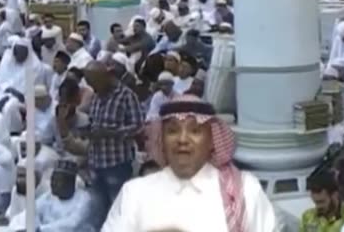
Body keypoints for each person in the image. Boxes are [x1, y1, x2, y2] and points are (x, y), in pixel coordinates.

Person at [102, 95, 278, 232]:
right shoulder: (134, 193)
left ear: (211, 141)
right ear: (161, 139)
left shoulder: (244, 190)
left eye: (195, 130)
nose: (182, 139)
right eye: (172, 131)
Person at [84, 61, 144, 226]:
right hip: (96, 161)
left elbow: (139, 126)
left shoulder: (126, 95)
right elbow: (94, 122)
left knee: (117, 208)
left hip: (117, 163)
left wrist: (112, 133)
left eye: (94, 83)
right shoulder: (96, 97)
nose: (93, 88)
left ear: (106, 77)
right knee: (97, 209)